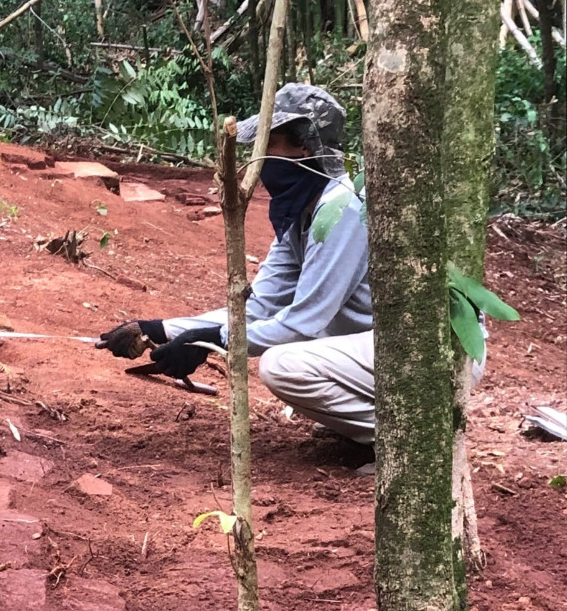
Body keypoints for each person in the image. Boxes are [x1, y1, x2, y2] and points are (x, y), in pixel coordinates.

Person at [97, 83, 378, 445]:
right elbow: (258, 306)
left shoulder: (343, 208)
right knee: (288, 348)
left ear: (304, 146)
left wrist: (212, 341)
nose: (258, 158)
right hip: (366, 345)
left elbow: (303, 322)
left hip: (406, 351)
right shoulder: (301, 212)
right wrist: (161, 329)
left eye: (267, 143)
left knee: (282, 366)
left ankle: (399, 440)